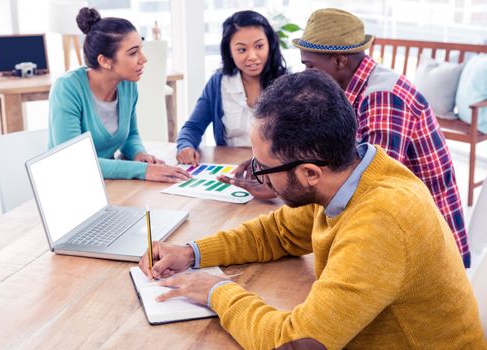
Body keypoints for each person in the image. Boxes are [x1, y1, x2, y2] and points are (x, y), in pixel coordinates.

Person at [139, 70, 486, 349]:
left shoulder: (381, 221)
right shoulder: (349, 175)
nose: (256, 175)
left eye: (263, 167)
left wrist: (216, 292)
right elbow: (277, 232)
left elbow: (296, 343)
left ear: (309, 174)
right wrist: (191, 252)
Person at [221, 8, 470, 267]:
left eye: (310, 66)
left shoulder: (382, 98)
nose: (306, 74)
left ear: (339, 61)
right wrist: (269, 166)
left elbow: (368, 188)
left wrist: (281, 182)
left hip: (430, 251)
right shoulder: (351, 88)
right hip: (396, 229)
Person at [48, 7, 190, 183]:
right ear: (105, 61)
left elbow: (130, 135)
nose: (143, 58)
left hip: (107, 183)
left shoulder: (127, 86)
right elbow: (75, 162)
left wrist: (139, 153)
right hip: (68, 185)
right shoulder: (67, 88)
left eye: (141, 48)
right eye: (133, 52)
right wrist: (143, 170)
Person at [176, 10, 286, 166]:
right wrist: (185, 146)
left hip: (273, 170)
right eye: (242, 49)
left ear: (270, 44)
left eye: (259, 46)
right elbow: (193, 127)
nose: (252, 56)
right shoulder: (218, 83)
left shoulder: (288, 84)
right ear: (230, 51)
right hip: (231, 166)